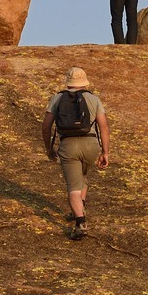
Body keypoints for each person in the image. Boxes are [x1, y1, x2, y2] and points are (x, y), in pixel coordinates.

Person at [41, 67, 110, 240]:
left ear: (68, 82)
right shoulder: (93, 99)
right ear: (84, 82)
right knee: (82, 176)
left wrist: (48, 148)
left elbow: (46, 126)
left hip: (68, 145)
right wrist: (105, 152)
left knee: (73, 188)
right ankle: (81, 208)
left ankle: (80, 222)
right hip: (91, 144)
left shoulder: (57, 98)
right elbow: (103, 127)